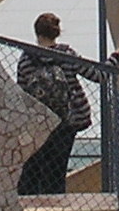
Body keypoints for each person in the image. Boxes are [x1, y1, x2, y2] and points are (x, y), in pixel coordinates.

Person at [16, 12, 94, 196]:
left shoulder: (27, 59)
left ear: (36, 32)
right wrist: (116, 58)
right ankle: (56, 206)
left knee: (33, 170)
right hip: (67, 120)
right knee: (56, 171)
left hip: (39, 122)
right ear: (57, 33)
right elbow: (97, 76)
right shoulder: (67, 55)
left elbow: (22, 92)